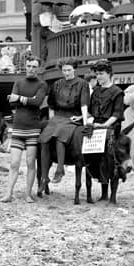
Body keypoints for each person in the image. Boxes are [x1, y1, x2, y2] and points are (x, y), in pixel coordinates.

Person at [0, 56, 48, 203]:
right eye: (29, 66)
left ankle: (28, 194)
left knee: (30, 163)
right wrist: (27, 100)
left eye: (34, 66)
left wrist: (19, 98)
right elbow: (11, 102)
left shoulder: (42, 84)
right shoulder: (18, 82)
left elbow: (37, 102)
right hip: (18, 127)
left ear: (38, 68)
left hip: (33, 128)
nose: (31, 69)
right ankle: (8, 193)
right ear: (25, 66)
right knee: (14, 163)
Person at [39, 58, 89, 186]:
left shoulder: (82, 84)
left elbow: (84, 104)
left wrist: (84, 120)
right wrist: (51, 120)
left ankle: (60, 169)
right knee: (44, 138)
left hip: (74, 117)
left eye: (69, 70)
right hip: (58, 116)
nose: (66, 73)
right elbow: (51, 104)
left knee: (60, 133)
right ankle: (44, 177)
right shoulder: (56, 84)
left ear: (74, 69)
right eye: (64, 70)